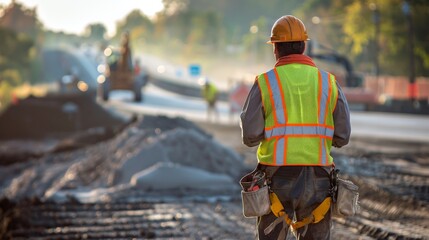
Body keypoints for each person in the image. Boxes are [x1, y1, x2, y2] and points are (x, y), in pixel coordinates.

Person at [240, 15, 351, 239]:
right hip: (319, 177)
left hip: (276, 178)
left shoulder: (265, 82)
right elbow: (342, 135)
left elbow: (250, 136)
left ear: (275, 48)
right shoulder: (328, 82)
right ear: (304, 46)